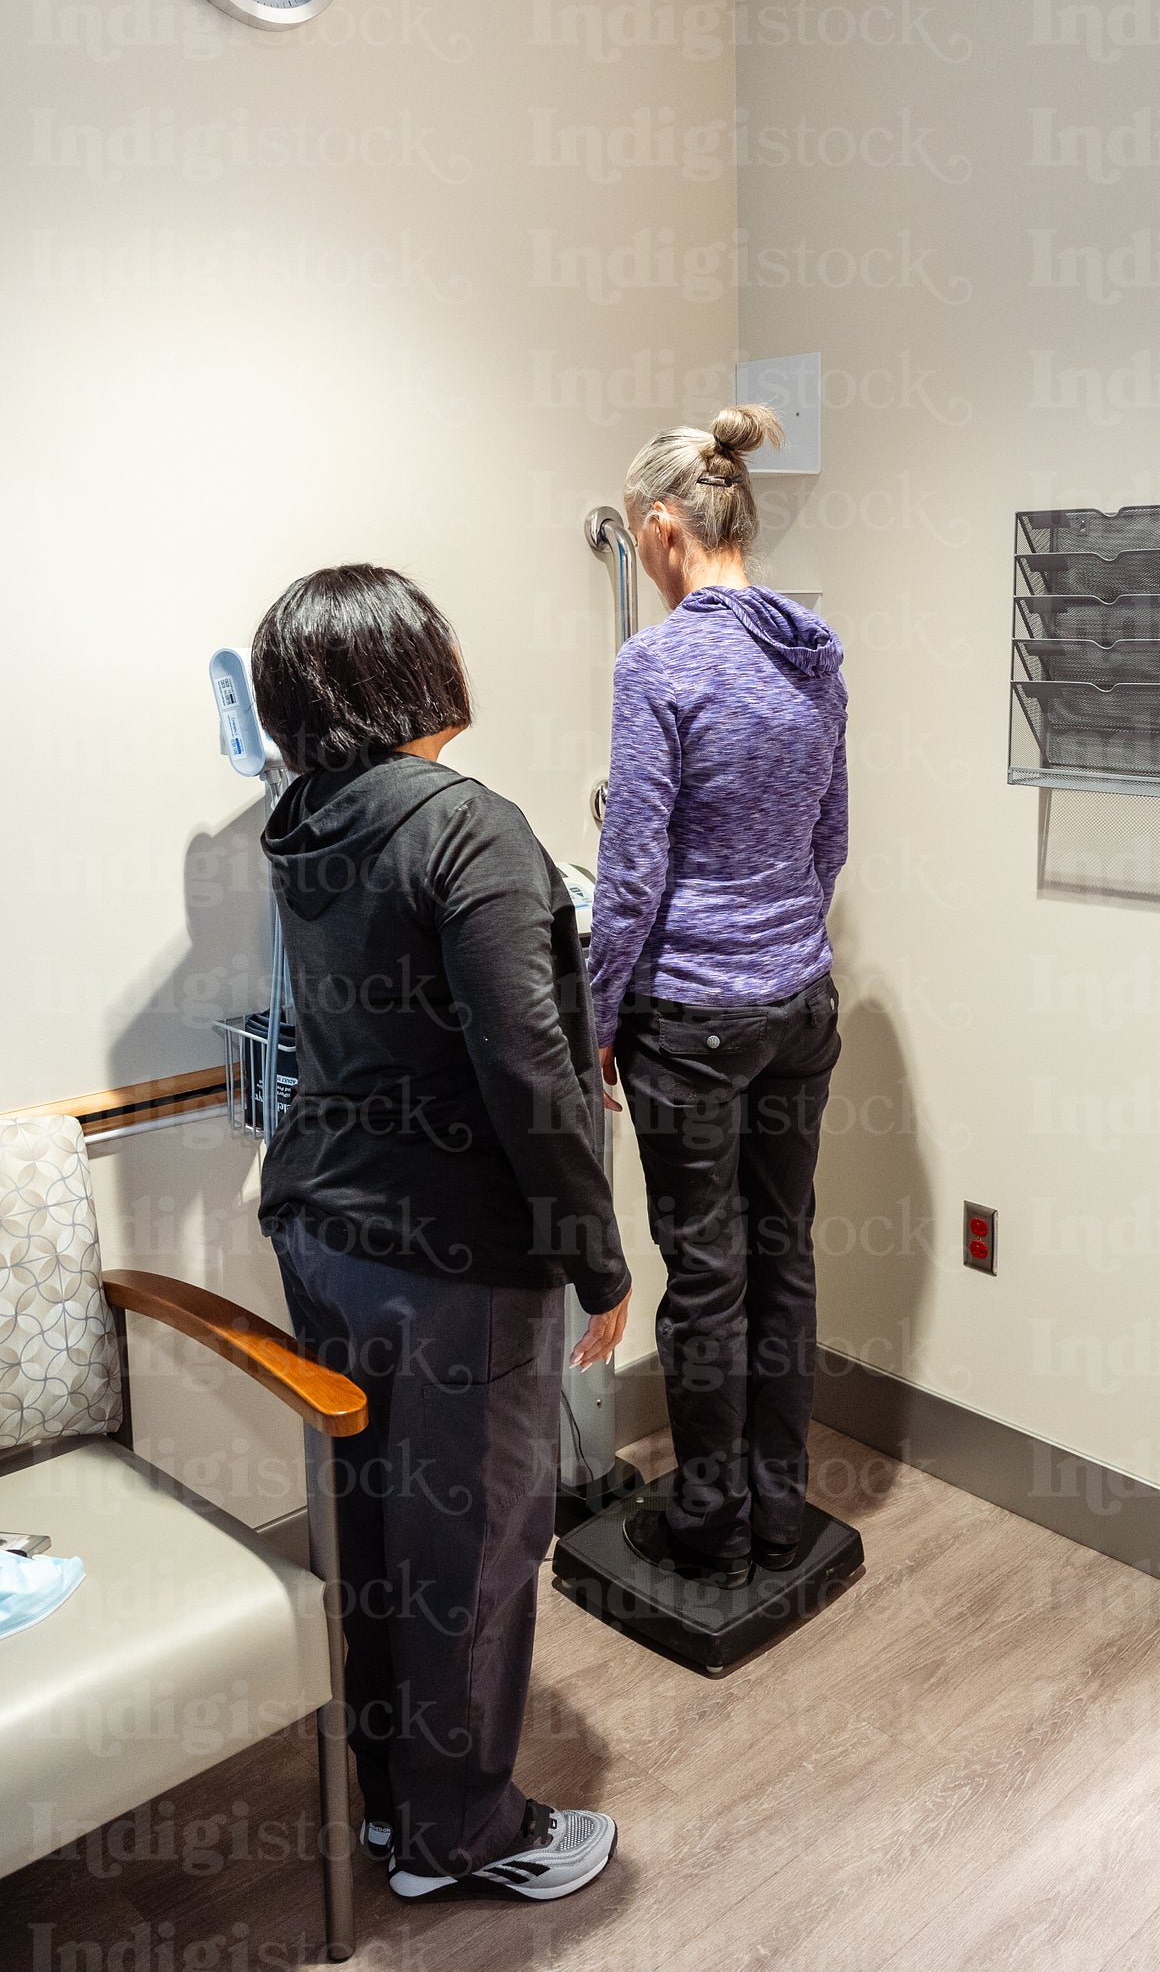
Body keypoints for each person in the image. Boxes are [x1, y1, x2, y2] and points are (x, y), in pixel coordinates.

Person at [251, 563, 631, 1904]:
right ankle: (461, 1829)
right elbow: (534, 1076)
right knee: (469, 1543)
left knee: (365, 1522)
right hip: (456, 1252)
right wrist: (598, 1256)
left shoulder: (301, 820)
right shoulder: (469, 830)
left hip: (324, 1223)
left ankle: (378, 1797)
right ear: (414, 663)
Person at [588, 407, 848, 1589]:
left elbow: (633, 870)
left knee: (706, 1277)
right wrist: (780, 933)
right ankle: (779, 1512)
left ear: (660, 529)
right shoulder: (816, 652)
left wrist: (593, 1021)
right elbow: (829, 839)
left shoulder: (659, 662)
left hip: (692, 1021)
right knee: (783, 1254)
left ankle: (709, 1525)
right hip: (800, 1002)